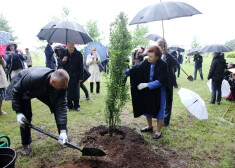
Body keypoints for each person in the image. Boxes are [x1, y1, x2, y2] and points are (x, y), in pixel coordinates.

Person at [9, 67, 69, 155]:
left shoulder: (62, 85)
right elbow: (16, 92)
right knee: (26, 117)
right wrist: (18, 112)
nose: (65, 87)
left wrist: (63, 131)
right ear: (53, 82)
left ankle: (63, 137)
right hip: (25, 89)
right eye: (62, 86)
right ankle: (26, 144)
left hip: (43, 88)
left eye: (65, 85)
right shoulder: (32, 78)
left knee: (57, 107)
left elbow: (61, 107)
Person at [125, 45, 169, 139]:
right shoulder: (146, 62)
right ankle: (149, 126)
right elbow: (135, 68)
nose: (148, 58)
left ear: (157, 57)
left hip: (160, 90)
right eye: (148, 56)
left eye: (151, 56)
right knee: (147, 106)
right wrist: (126, 72)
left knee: (159, 110)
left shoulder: (163, 65)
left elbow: (161, 81)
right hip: (149, 89)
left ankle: (158, 131)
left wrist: (146, 85)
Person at [157, 38, 178, 126]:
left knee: (168, 101)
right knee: (161, 100)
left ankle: (166, 121)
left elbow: (175, 63)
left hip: (169, 81)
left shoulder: (171, 52)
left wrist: (167, 54)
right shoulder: (160, 54)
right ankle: (160, 117)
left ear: (163, 45)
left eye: (159, 45)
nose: (158, 47)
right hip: (161, 80)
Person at [62, 42, 84, 111]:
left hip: (76, 75)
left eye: (72, 47)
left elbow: (81, 66)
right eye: (69, 47)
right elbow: (61, 65)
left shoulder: (79, 54)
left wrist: (81, 77)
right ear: (67, 47)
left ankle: (77, 105)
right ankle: (69, 105)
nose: (71, 49)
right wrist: (63, 61)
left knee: (76, 91)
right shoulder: (64, 53)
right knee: (68, 91)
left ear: (74, 46)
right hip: (67, 76)